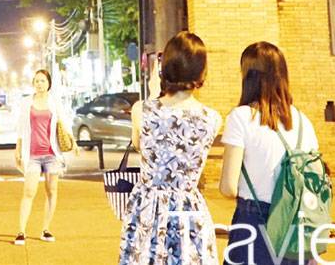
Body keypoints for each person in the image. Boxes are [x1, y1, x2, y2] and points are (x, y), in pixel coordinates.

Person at [119, 31, 221, 265]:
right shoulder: (212, 118)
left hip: (147, 209)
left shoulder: (141, 110)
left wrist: (155, 94)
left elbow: (140, 147)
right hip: (188, 210)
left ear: (165, 67)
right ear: (202, 71)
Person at [219, 41, 319, 265]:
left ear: (248, 76)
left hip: (254, 223)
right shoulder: (303, 121)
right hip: (296, 228)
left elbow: (228, 187)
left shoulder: (242, 117)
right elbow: (313, 185)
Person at [14, 69, 75, 246]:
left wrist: (74, 142)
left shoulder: (54, 102)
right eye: (37, 81)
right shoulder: (26, 102)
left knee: (52, 191)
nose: (39, 84)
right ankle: (21, 231)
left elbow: (64, 122)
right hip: (32, 155)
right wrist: (17, 150)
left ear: (49, 83)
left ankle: (46, 229)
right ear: (33, 83)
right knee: (29, 192)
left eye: (42, 81)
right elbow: (21, 128)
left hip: (51, 154)